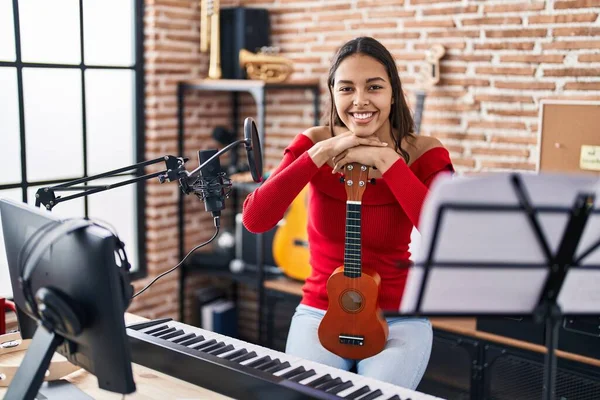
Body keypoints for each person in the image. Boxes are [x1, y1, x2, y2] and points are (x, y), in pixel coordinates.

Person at [242, 36, 454, 389]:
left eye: (374, 87)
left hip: (398, 317)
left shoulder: (426, 153)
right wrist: (320, 153)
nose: (360, 100)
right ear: (333, 93)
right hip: (320, 311)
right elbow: (255, 219)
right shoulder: (314, 144)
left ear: (392, 91)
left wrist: (389, 162)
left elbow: (448, 238)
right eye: (346, 88)